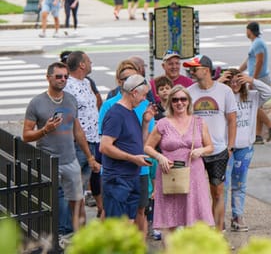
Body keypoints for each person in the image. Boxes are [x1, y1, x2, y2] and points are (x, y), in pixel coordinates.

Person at [23, 62, 100, 235]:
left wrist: (89, 157)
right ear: (48, 77)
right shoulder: (36, 103)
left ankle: (80, 237)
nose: (63, 80)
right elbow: (26, 135)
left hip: (71, 159)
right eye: (58, 76)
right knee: (55, 203)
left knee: (77, 201)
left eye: (65, 76)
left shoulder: (70, 99)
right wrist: (45, 130)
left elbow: (78, 131)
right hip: (49, 161)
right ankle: (58, 237)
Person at [143, 86, 215, 235]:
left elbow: (210, 147)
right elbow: (148, 147)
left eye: (183, 99)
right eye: (175, 100)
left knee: (196, 220)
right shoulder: (163, 123)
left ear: (189, 102)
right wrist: (160, 156)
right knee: (170, 222)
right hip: (170, 174)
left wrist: (201, 150)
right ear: (170, 103)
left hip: (194, 174)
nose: (179, 103)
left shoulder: (199, 122)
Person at [99, 61, 156, 235]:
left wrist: (145, 123)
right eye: (144, 95)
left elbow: (140, 144)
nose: (145, 99)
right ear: (133, 93)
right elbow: (104, 147)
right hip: (118, 179)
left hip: (132, 176)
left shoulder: (131, 111)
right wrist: (132, 158)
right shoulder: (116, 113)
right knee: (117, 228)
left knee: (130, 224)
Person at [185, 55, 237, 232]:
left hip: (218, 150)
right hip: (195, 151)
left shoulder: (224, 91)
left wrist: (230, 147)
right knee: (196, 194)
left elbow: (232, 120)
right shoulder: (189, 92)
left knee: (217, 192)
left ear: (206, 70)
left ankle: (219, 231)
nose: (191, 72)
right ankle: (198, 230)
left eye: (194, 68)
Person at [221, 68, 271, 231]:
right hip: (225, 149)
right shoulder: (222, 96)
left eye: (238, 80)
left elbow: (269, 92)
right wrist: (219, 83)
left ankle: (237, 216)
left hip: (244, 148)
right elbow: (207, 97)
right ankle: (219, 218)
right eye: (231, 80)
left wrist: (251, 80)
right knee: (223, 185)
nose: (234, 83)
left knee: (240, 184)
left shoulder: (252, 97)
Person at [63, 51, 103, 221]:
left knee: (81, 188)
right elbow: (72, 120)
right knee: (73, 189)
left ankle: (80, 225)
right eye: (88, 60)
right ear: (82, 65)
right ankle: (69, 228)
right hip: (78, 144)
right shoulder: (68, 86)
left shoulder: (87, 82)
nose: (91, 62)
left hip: (93, 141)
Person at [238, 22, 271, 144]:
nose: (245, 33)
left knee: (253, 106)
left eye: (246, 30)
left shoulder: (258, 43)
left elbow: (259, 61)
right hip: (256, 78)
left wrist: (252, 80)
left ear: (250, 30)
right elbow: (249, 61)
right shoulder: (255, 43)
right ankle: (258, 136)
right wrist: (236, 72)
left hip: (260, 78)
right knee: (257, 106)